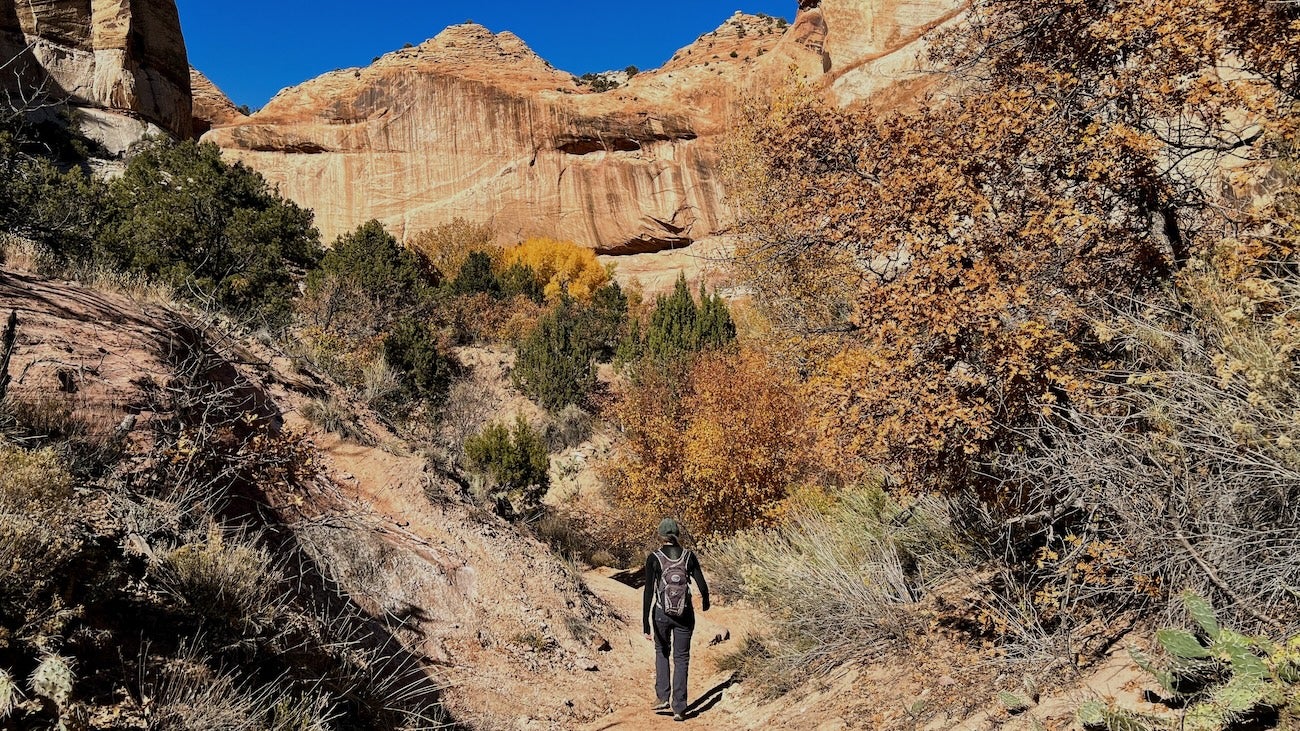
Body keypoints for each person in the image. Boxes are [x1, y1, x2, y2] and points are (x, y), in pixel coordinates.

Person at [642, 517, 709, 722]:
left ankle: (662, 696)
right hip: (685, 614)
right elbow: (702, 585)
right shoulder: (689, 556)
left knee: (662, 651)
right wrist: (706, 602)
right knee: (681, 659)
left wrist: (645, 621)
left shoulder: (654, 558)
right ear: (677, 534)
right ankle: (679, 707)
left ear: (661, 535)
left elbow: (648, 591)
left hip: (661, 613)